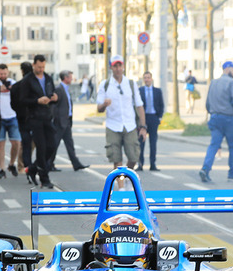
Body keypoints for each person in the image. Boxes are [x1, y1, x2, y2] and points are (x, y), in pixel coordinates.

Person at [97, 54, 147, 189]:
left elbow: (139, 105)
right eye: (115, 66)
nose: (118, 69)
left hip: (130, 125)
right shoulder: (105, 85)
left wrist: (143, 127)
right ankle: (121, 187)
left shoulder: (130, 84)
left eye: (120, 66)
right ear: (111, 68)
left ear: (123, 67)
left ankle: (126, 177)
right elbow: (99, 108)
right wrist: (104, 105)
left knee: (134, 156)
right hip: (113, 125)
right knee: (116, 157)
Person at [198, 61, 233, 182]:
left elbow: (207, 103)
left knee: (214, 145)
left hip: (215, 117)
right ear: (228, 69)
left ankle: (205, 168)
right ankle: (232, 172)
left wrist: (212, 113)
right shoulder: (231, 83)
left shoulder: (213, 82)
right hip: (228, 118)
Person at [21, 54, 59, 188]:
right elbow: (22, 100)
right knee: (41, 148)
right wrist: (36, 101)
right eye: (39, 67)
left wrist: (54, 98)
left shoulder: (48, 78)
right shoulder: (28, 80)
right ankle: (44, 177)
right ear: (34, 65)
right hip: (34, 118)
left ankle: (33, 168)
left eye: (43, 67)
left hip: (47, 117)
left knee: (52, 145)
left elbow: (52, 94)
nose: (41, 69)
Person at [52, 69, 88, 172]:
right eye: (70, 77)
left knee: (69, 144)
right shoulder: (59, 89)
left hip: (66, 121)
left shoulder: (66, 88)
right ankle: (48, 163)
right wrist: (57, 119)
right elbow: (54, 106)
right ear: (65, 78)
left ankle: (76, 164)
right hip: (60, 122)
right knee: (55, 144)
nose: (72, 79)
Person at [0, 63, 21, 180]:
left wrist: (11, 89)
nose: (3, 76)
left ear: (8, 73)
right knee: (0, 144)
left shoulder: (13, 83)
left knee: (16, 142)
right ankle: (2, 168)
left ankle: (11, 164)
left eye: (5, 74)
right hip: (0, 117)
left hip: (12, 116)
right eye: (1, 74)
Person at [9, 61, 34, 179]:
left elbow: (12, 104)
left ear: (22, 71)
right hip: (33, 116)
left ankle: (24, 165)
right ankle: (25, 165)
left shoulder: (16, 86)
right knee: (32, 142)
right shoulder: (35, 84)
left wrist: (19, 111)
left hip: (22, 117)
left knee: (25, 142)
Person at [138, 71, 164, 171]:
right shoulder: (140, 91)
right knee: (141, 143)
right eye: (145, 78)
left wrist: (159, 118)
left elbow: (161, 105)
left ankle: (153, 164)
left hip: (153, 118)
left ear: (151, 79)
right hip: (143, 119)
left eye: (148, 77)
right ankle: (140, 164)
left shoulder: (157, 91)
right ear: (143, 79)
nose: (147, 79)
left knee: (153, 143)